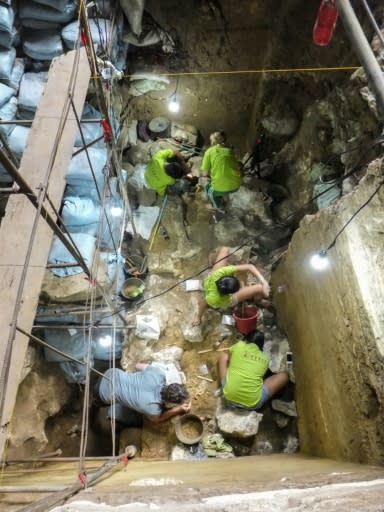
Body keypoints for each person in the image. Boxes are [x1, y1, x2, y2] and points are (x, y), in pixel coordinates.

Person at [192, 246, 270, 326]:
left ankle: (211, 258)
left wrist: (263, 281)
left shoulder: (220, 272)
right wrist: (198, 316)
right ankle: (258, 300)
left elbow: (249, 267)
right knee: (260, 288)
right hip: (226, 300)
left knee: (225, 249)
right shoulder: (216, 298)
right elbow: (203, 303)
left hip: (211, 279)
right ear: (231, 293)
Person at [217, 329, 289, 410]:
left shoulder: (239, 345)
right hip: (252, 404)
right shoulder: (265, 358)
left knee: (223, 356)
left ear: (246, 340)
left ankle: (224, 387)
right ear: (261, 346)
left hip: (228, 397)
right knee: (284, 376)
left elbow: (229, 358)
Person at [97, 364, 191, 423]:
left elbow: (137, 366)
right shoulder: (153, 408)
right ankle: (96, 404)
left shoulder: (158, 374)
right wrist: (178, 409)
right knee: (137, 418)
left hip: (110, 373)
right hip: (102, 393)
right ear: (170, 403)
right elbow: (157, 420)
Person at [199, 131, 242, 210]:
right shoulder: (229, 150)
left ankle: (217, 206)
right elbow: (236, 164)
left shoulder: (209, 152)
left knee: (208, 189)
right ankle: (223, 194)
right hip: (237, 185)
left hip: (222, 187)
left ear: (212, 141)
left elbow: (204, 173)